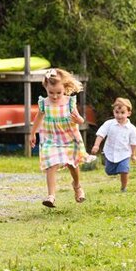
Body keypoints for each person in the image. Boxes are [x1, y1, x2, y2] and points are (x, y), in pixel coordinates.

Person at [31, 68, 89, 208]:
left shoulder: (69, 102)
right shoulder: (44, 103)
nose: (55, 96)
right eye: (51, 92)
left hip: (69, 137)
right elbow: (38, 118)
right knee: (51, 165)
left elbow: (81, 120)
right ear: (46, 87)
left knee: (72, 165)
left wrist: (78, 119)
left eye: (59, 93)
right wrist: (32, 133)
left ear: (65, 88)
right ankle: (51, 196)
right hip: (51, 138)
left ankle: (77, 186)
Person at [91, 97, 136, 193]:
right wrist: (96, 145)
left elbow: (134, 142)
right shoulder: (109, 124)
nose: (119, 115)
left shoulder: (131, 129)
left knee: (124, 170)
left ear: (128, 113)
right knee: (109, 171)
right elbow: (101, 134)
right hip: (110, 152)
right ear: (113, 112)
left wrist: (134, 154)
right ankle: (117, 169)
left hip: (124, 154)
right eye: (117, 112)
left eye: (122, 113)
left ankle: (123, 188)